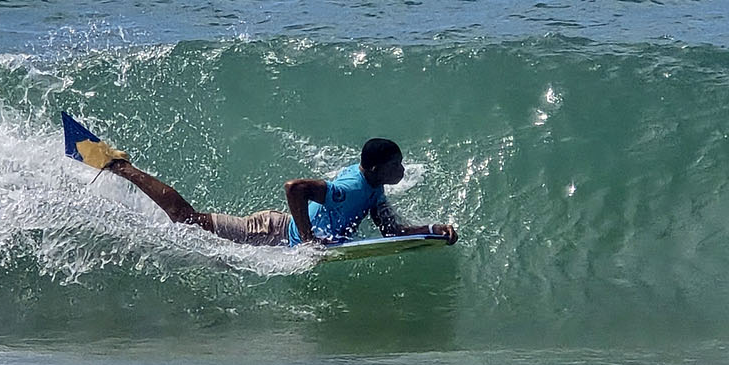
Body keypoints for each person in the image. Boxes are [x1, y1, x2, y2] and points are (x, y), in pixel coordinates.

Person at [71, 122, 458, 248]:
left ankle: (118, 165)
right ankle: (118, 165)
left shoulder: (374, 189)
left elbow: (390, 230)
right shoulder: (351, 188)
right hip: (270, 231)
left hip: (280, 234)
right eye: (396, 165)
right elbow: (295, 188)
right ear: (375, 167)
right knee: (185, 220)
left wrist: (431, 231)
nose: (402, 170)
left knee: (189, 224)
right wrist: (306, 238)